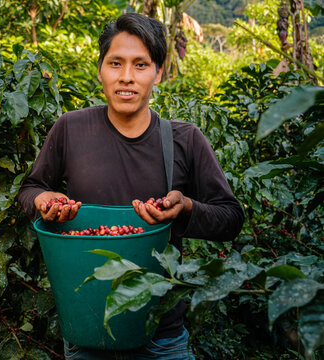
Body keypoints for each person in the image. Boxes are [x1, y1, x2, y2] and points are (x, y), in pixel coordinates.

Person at [17, 13, 244, 360]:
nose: (126, 77)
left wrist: (185, 209)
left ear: (159, 73)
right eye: (115, 63)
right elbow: (30, 189)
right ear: (100, 70)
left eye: (141, 65)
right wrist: (44, 199)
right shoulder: (71, 129)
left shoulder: (184, 139)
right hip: (86, 330)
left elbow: (231, 219)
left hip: (161, 338)